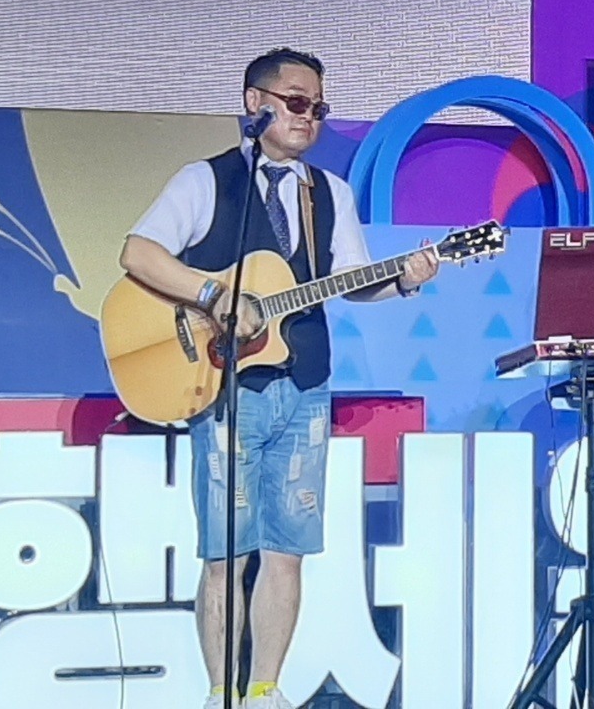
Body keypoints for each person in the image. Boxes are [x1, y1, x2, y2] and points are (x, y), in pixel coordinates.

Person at [120, 48, 439, 709]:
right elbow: (138, 252)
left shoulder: (330, 193)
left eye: (318, 107)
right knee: (225, 554)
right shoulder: (205, 181)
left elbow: (351, 281)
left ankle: (265, 689)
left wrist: (404, 280)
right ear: (254, 103)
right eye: (296, 102)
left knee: (287, 549)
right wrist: (214, 294)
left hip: (305, 386)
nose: (308, 117)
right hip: (227, 389)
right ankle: (221, 693)